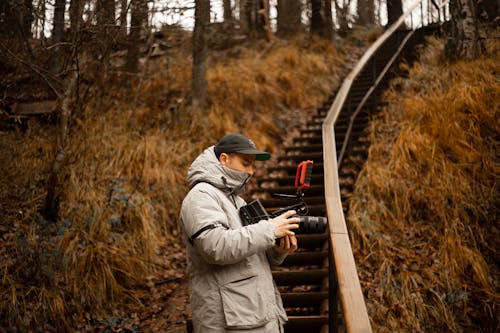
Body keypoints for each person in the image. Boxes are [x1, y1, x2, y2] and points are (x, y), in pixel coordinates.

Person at [180, 133, 300, 332]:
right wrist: (270, 229)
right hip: (228, 322)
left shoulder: (236, 200)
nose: (251, 172)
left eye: (252, 165)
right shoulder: (201, 196)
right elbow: (214, 247)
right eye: (246, 163)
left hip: (252, 317)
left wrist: (278, 250)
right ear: (224, 159)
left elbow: (250, 255)